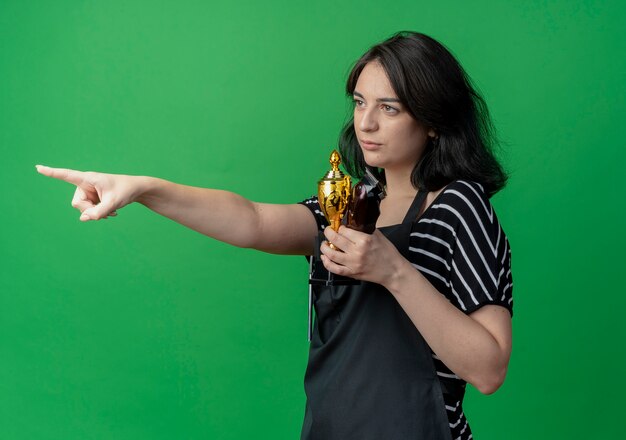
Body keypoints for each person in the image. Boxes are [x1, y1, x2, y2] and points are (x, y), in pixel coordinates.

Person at [36, 31, 513, 440]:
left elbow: (489, 367)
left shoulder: (458, 206)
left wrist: (394, 272)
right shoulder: (347, 203)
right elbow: (252, 220)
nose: (365, 123)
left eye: (389, 108)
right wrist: (144, 189)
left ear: (432, 120)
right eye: (360, 102)